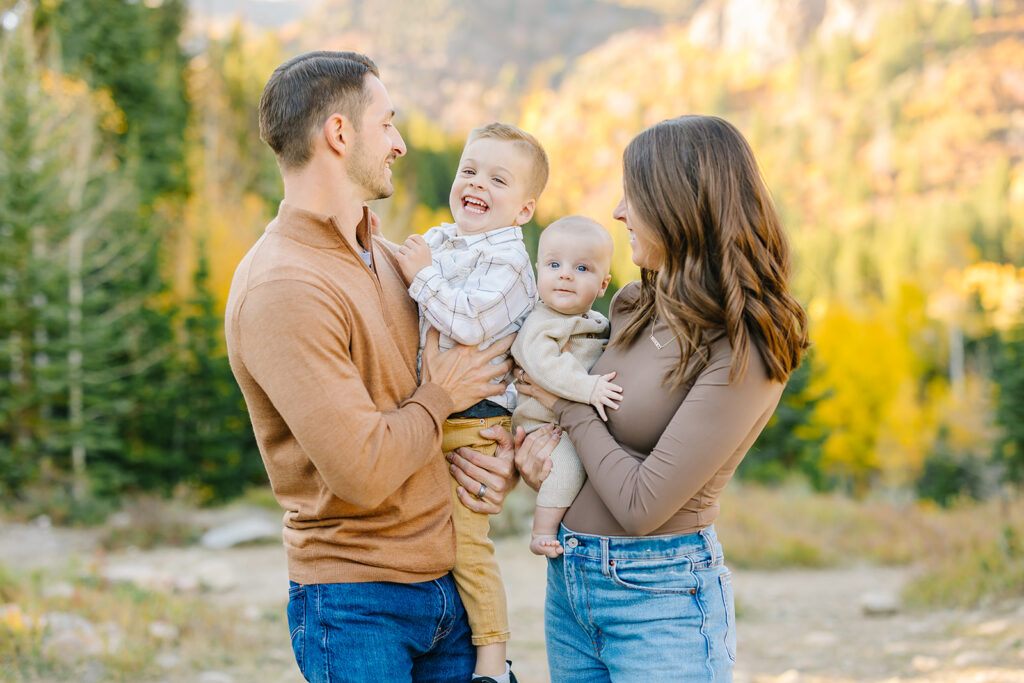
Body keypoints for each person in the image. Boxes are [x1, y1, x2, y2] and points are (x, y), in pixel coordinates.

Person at [224, 51, 520, 683]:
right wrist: (441, 398)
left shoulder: (391, 260)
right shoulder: (283, 286)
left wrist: (498, 463)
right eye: (387, 123)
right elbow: (361, 470)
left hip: (450, 595)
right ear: (339, 133)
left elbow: (469, 396)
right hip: (357, 605)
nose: (401, 143)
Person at [515, 115, 810, 682]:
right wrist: (539, 455)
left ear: (680, 207)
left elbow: (641, 505)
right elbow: (583, 445)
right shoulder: (629, 305)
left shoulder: (745, 348)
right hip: (570, 586)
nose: (620, 213)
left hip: (660, 597)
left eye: (634, 197)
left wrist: (564, 403)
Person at [393, 121, 549, 683]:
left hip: (475, 421)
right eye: (469, 170)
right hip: (438, 409)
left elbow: (465, 321)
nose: (476, 183)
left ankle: (491, 660)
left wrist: (422, 278)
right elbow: (401, 260)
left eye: (497, 179)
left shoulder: (508, 265)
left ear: (524, 210)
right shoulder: (443, 241)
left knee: (465, 542)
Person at [510, 215, 620, 558]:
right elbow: (545, 367)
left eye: (582, 268)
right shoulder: (542, 322)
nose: (566, 274)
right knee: (569, 467)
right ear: (538, 271)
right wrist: (588, 388)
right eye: (554, 264)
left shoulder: (597, 322)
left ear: (603, 286)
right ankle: (542, 531)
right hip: (541, 423)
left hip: (568, 421)